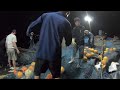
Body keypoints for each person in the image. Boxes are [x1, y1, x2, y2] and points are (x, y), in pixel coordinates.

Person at [26, 11, 72, 79]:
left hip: (42, 52)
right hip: (55, 54)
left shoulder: (46, 15)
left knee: (37, 73)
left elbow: (33, 24)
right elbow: (68, 40)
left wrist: (28, 32)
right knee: (56, 75)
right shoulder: (66, 22)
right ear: (67, 13)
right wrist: (67, 43)